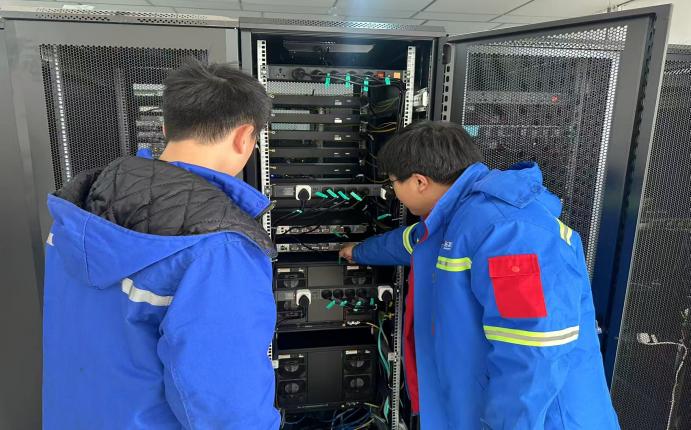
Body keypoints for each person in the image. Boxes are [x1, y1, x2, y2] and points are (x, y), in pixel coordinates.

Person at [43, 60, 280, 429]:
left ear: (166, 127)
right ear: (244, 136)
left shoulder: (77, 213)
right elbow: (227, 408)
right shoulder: (220, 249)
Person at [339, 121, 620, 429]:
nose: (394, 193)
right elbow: (414, 242)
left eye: (393, 182)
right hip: (477, 408)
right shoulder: (458, 215)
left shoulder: (510, 233)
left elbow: (532, 355)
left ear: (420, 182)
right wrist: (359, 251)